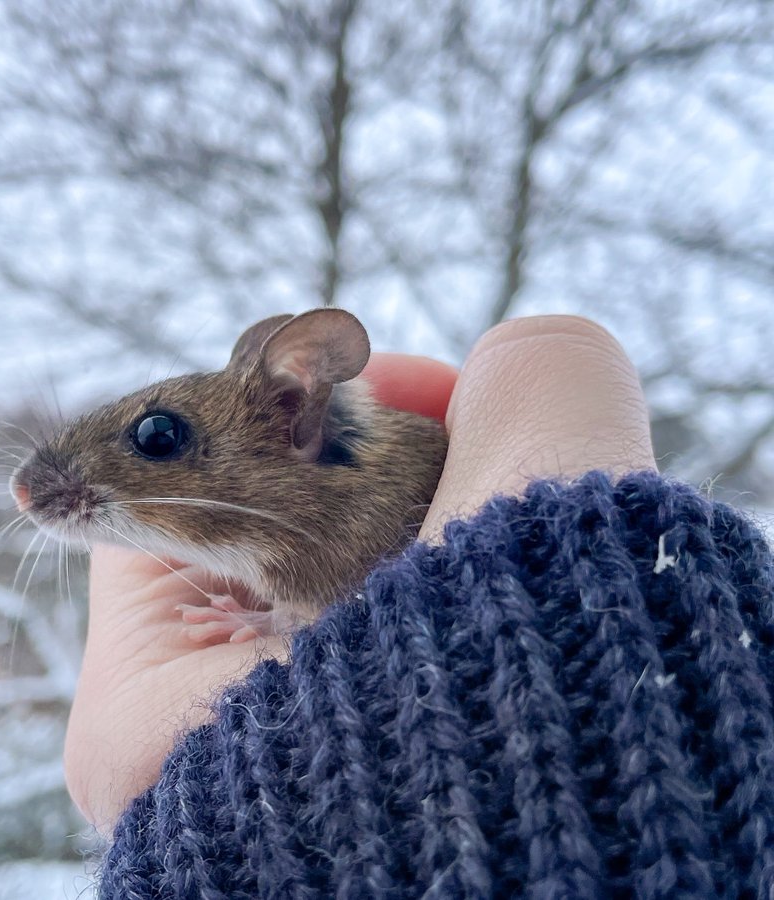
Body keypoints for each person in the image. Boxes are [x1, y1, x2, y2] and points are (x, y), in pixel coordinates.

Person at [65, 315, 774, 897]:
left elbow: (350, 597)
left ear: (293, 418)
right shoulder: (282, 543)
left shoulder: (346, 511)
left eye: (159, 440)